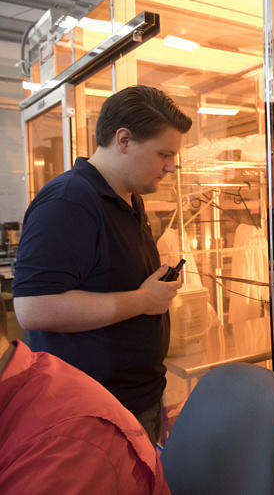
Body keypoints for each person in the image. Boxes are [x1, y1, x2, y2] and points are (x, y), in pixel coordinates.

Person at [12, 85, 192, 444]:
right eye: (163, 154)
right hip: (90, 416)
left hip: (134, 401)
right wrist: (143, 301)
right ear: (123, 139)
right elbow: (34, 308)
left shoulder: (129, 198)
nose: (171, 167)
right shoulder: (69, 201)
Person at [0, 300, 170, 493]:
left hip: (131, 392)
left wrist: (145, 299)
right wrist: (145, 299)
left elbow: (32, 309)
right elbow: (31, 309)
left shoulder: (65, 445)